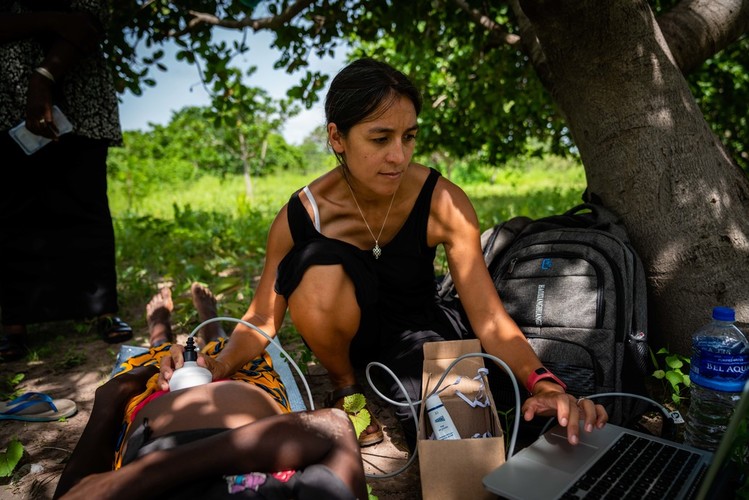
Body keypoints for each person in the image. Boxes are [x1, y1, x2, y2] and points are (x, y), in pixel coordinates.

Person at [160, 58, 609, 449]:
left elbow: (488, 316)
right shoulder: (300, 216)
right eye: (380, 139)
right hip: (346, 342)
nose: (398, 155)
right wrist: (216, 365)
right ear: (338, 138)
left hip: (419, 334)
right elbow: (262, 319)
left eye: (409, 137)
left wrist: (542, 380)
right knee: (315, 262)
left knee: (475, 427)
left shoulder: (442, 202)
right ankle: (345, 388)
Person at [53, 283, 367, 500]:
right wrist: (144, 475)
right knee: (228, 352)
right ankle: (211, 325)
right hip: (253, 405)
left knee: (162, 358)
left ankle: (159, 329)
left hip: (154, 400)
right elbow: (334, 427)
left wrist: (116, 395)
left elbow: (82, 491)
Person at [0, 1, 132, 362]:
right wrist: (50, 18)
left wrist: (45, 74)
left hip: (79, 88)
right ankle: (14, 322)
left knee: (85, 201)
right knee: (13, 208)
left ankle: (103, 309)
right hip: (5, 95)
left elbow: (90, 19)